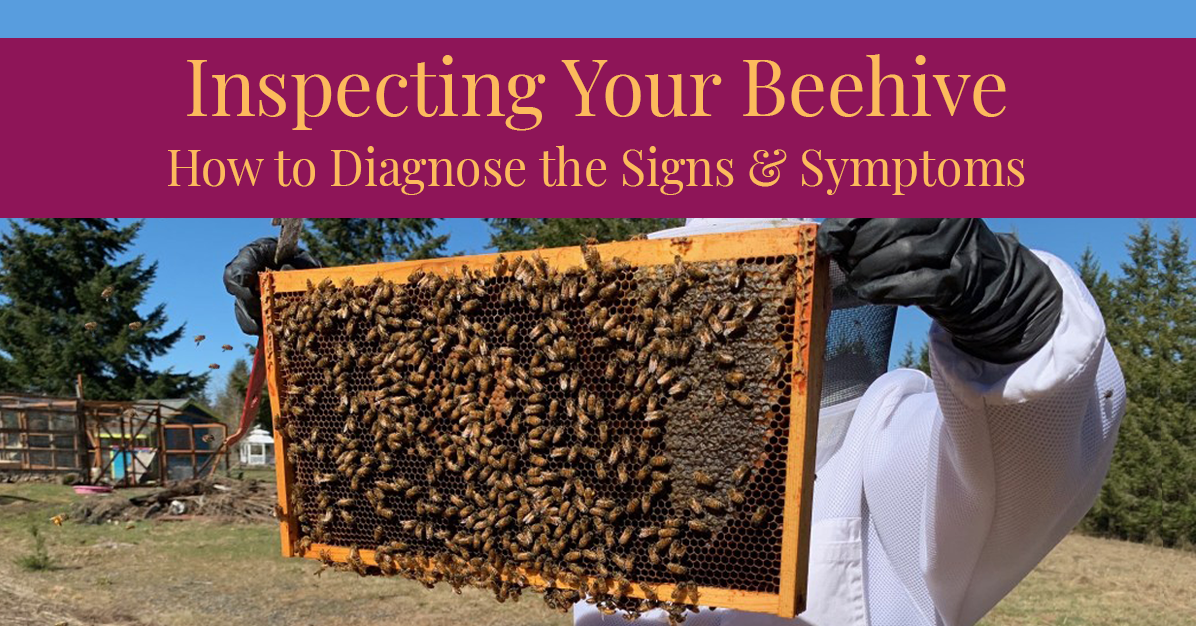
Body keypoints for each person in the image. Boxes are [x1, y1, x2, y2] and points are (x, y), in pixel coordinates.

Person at [225, 218, 1126, 626]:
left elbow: (1033, 452)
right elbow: (432, 428)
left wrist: (1012, 315)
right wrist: (314, 337)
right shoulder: (620, 474)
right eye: (690, 320)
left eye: (745, 317)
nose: (715, 353)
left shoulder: (886, 442)